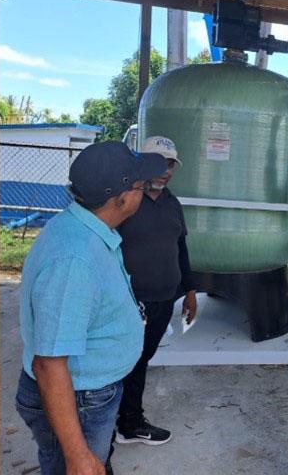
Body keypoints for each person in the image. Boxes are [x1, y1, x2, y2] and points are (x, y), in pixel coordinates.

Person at [16, 141, 167, 475]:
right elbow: (49, 364)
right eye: (141, 186)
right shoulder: (74, 260)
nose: (143, 193)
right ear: (123, 197)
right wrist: (77, 455)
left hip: (88, 392)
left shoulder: (85, 229)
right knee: (74, 466)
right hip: (79, 397)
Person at [113, 136, 197, 447]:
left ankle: (126, 422)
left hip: (164, 300)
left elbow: (181, 248)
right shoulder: (124, 201)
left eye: (170, 164)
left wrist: (189, 290)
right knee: (125, 361)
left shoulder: (172, 203)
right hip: (130, 302)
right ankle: (122, 422)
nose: (165, 171)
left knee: (141, 359)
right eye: (158, 163)